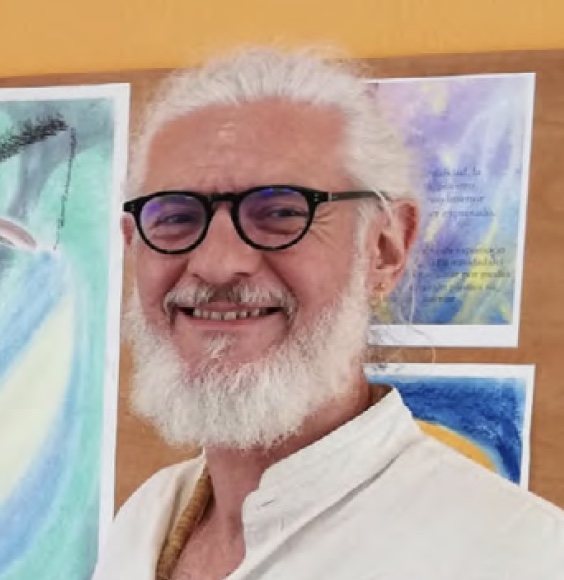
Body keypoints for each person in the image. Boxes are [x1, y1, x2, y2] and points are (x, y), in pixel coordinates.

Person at [93, 48, 564, 580]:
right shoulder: (144, 520)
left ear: (385, 248)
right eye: (176, 217)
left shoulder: (519, 556)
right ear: (133, 245)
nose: (217, 263)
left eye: (280, 212)